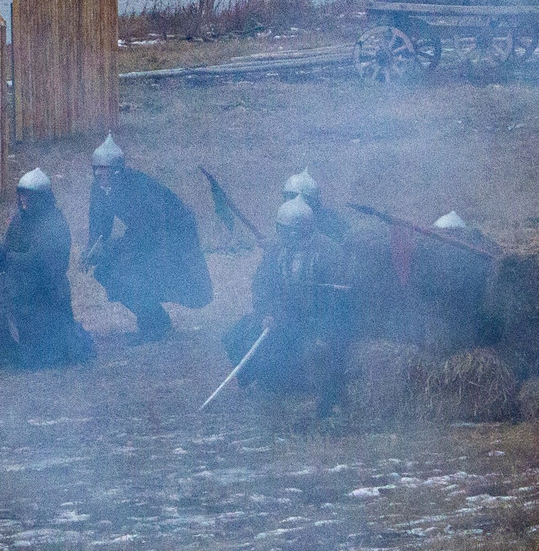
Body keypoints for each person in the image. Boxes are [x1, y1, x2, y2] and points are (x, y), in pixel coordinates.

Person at [222, 197, 351, 416]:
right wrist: (266, 312)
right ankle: (263, 380)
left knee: (311, 352)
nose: (285, 235)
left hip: (315, 322)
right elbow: (262, 285)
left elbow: (338, 300)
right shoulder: (276, 251)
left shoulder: (328, 253)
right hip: (279, 318)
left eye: (288, 230)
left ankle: (294, 384)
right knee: (235, 336)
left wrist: (323, 329)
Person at [0, 169, 94, 368]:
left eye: (30, 195)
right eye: (22, 194)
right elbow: (7, 249)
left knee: (35, 360)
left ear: (42, 197)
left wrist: (6, 259)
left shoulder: (54, 223)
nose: (24, 199)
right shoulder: (19, 221)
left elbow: (41, 260)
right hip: (16, 284)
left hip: (46, 292)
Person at [82, 134, 213, 339]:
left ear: (117, 170)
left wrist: (115, 248)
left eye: (104, 169)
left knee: (144, 273)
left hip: (173, 232)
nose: (99, 173)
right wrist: (91, 250)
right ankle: (154, 319)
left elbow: (148, 230)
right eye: (97, 168)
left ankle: (155, 325)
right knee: (107, 271)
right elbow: (100, 225)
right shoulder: (99, 189)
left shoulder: (137, 188)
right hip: (147, 233)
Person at [281, 169, 346, 246]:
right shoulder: (284, 221)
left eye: (303, 197)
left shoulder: (328, 221)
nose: (296, 200)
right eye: (290, 196)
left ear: (313, 202)